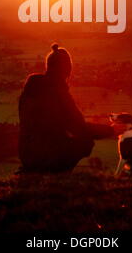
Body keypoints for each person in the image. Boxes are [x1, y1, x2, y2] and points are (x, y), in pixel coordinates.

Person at [18, 43, 95, 173]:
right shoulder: (59, 92)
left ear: (48, 66)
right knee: (86, 140)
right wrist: (111, 130)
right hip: (48, 156)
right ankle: (60, 172)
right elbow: (79, 127)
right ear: (67, 69)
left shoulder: (30, 87)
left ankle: (44, 170)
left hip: (26, 155)